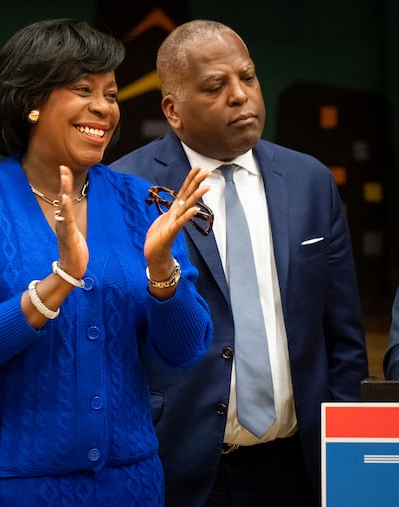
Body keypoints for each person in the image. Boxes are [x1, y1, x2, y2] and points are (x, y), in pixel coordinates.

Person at [0, 18, 214, 506]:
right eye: (83, 89)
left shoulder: (142, 203)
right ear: (30, 101)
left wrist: (162, 272)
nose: (103, 108)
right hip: (7, 487)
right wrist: (59, 281)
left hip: (129, 486)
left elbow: (184, 352)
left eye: (111, 94)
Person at [111, 19, 368, 506]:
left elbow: (344, 341)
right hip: (177, 466)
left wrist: (350, 471)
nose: (240, 96)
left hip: (301, 465)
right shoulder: (127, 188)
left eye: (247, 78)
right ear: (173, 109)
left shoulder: (308, 181)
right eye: (215, 86)